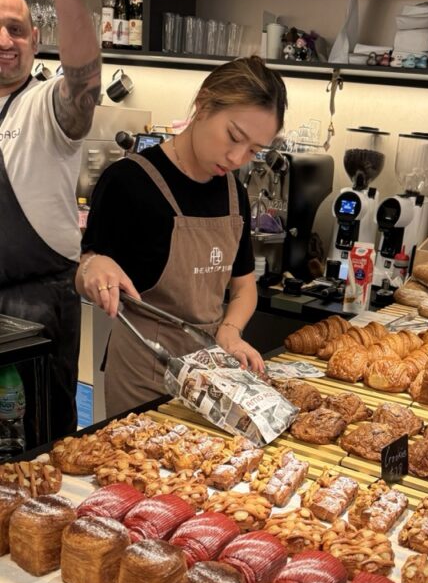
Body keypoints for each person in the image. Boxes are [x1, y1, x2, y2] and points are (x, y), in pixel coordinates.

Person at [77, 55, 288, 416]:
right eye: (234, 137)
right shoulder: (128, 182)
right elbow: (84, 271)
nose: (237, 157)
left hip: (208, 373)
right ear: (203, 104)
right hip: (142, 371)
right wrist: (94, 268)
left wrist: (231, 331)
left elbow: (243, 287)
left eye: (254, 150)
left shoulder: (234, 193)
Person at [0, 0, 134, 440]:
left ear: (36, 38)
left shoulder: (44, 105)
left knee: (38, 450)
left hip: (37, 310)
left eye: (16, 28)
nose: (5, 40)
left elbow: (83, 80)